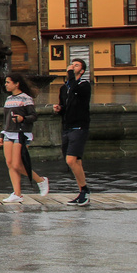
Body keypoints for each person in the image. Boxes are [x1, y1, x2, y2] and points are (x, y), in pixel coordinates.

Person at [0, 73, 49, 203]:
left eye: (8, 82)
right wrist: (1, 135)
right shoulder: (8, 99)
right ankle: (17, 194)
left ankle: (41, 180)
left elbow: (34, 116)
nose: (6, 84)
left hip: (21, 133)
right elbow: (5, 120)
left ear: (17, 84)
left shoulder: (26, 98)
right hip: (8, 133)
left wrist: (23, 119)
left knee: (17, 164)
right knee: (10, 163)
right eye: (6, 82)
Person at [56, 58, 92, 206]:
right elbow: (65, 105)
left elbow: (75, 89)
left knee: (71, 160)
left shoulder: (84, 85)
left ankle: (85, 190)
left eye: (76, 65)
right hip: (67, 127)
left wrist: (70, 73)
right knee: (76, 162)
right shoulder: (64, 88)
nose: (72, 66)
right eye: (72, 64)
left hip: (79, 127)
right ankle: (81, 193)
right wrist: (59, 109)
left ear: (82, 71)